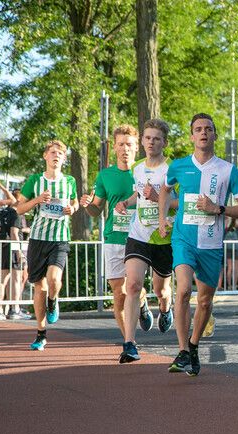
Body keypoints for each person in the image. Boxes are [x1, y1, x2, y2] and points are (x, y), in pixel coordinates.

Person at [158, 112, 238, 376]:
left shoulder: (228, 170)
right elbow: (165, 190)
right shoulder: (178, 166)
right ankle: (183, 351)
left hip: (211, 244)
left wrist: (217, 208)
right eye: (198, 129)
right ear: (191, 136)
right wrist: (164, 218)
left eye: (208, 129)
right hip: (183, 239)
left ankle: (194, 345)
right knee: (184, 291)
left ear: (214, 135)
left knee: (206, 302)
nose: (203, 133)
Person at [81, 124, 153, 350]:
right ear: (115, 148)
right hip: (114, 237)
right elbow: (96, 209)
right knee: (118, 291)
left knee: (132, 285)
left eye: (129, 144)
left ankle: (142, 301)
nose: (125, 149)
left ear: (136, 147)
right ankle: (128, 341)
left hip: (140, 237)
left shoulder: (144, 171)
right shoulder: (105, 175)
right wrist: (87, 206)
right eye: (121, 144)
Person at [112, 118, 176, 363]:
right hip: (138, 234)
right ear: (143, 141)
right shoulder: (137, 167)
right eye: (147, 138)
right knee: (132, 285)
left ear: (164, 142)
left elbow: (181, 203)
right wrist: (126, 203)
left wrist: (159, 196)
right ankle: (129, 344)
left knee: (161, 289)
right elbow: (138, 195)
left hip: (163, 237)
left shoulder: (173, 170)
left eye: (156, 138)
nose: (151, 142)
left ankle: (164, 306)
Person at [15, 140, 79, 350]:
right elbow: (19, 209)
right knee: (39, 286)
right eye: (53, 152)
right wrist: (37, 200)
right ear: (45, 156)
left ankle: (54, 300)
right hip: (38, 238)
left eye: (60, 153)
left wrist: (73, 208)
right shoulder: (35, 180)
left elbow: (75, 202)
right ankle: (41, 334)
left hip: (60, 238)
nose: (56, 156)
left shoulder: (69, 181)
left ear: (64, 158)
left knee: (53, 280)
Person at [0, 184, 25, 320]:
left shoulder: (3, 212)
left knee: (2, 279)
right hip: (12, 247)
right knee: (16, 279)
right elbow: (14, 233)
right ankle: (14, 309)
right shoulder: (17, 212)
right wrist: (18, 252)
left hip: (2, 246)